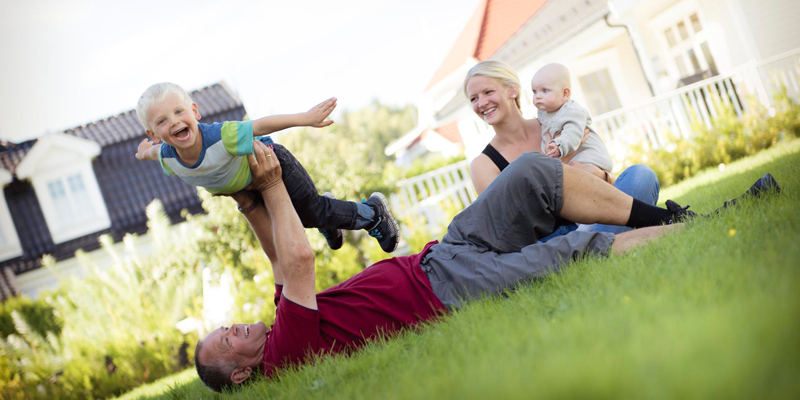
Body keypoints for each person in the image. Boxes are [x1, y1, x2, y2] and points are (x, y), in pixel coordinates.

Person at [193, 140, 782, 393]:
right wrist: (274, 182)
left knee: (530, 172)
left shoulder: (281, 323)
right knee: (578, 248)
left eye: (225, 327)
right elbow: (299, 258)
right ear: (241, 375)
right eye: (226, 340)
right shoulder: (286, 355)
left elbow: (277, 256)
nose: (233, 327)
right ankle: (714, 220)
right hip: (451, 290)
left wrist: (249, 201)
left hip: (442, 254)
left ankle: (671, 214)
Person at [134, 82, 399, 252]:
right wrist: (143, 152)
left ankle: (373, 213)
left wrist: (305, 118)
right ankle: (325, 218)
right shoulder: (167, 157)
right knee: (291, 222)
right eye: (162, 121)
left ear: (194, 112)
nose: (174, 121)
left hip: (272, 161)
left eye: (179, 112)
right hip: (252, 185)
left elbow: (260, 125)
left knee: (312, 212)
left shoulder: (221, 136)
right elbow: (152, 153)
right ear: (154, 134)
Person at [464, 60, 660, 237]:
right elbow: (511, 225)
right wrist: (562, 164)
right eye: (473, 98)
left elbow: (605, 183)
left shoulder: (558, 125)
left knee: (641, 175)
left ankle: (601, 242)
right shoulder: (484, 165)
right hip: (553, 240)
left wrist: (601, 176)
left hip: (597, 213)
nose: (482, 103)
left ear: (512, 90)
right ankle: (610, 240)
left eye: (488, 92)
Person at [532, 63, 613, 175]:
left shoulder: (572, 111)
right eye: (534, 91)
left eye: (545, 90)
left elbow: (573, 133)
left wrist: (558, 146)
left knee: (574, 170)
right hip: (570, 156)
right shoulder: (543, 112)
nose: (537, 96)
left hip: (590, 154)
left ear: (565, 94)